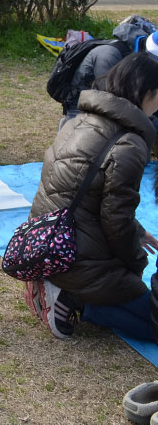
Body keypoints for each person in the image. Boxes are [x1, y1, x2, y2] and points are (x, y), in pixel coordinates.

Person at [26, 52, 158, 340]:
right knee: (155, 322)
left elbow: (87, 195)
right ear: (147, 93)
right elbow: (115, 220)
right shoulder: (130, 144)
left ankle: (61, 286)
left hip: (46, 243)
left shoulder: (79, 120)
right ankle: (75, 299)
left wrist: (137, 231)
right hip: (77, 258)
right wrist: (135, 264)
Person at [60, 17, 158, 128]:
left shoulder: (138, 57)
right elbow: (112, 103)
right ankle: (67, 124)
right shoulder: (109, 55)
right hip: (83, 108)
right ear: (150, 55)